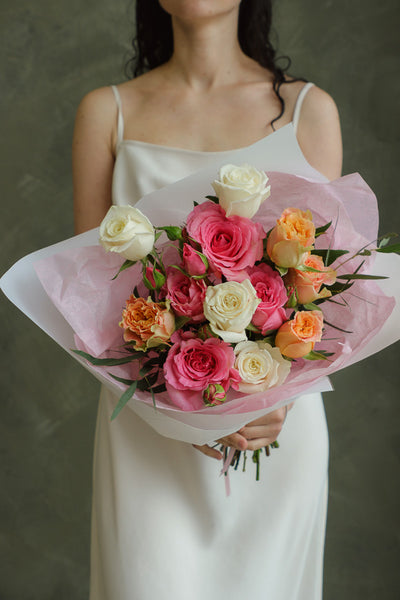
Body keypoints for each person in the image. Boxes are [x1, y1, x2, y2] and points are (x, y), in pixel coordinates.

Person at [72, 1, 342, 598]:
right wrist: (179, 408)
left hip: (276, 429)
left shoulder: (309, 112)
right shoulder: (106, 113)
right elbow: (86, 306)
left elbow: (319, 296)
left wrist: (269, 400)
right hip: (144, 438)